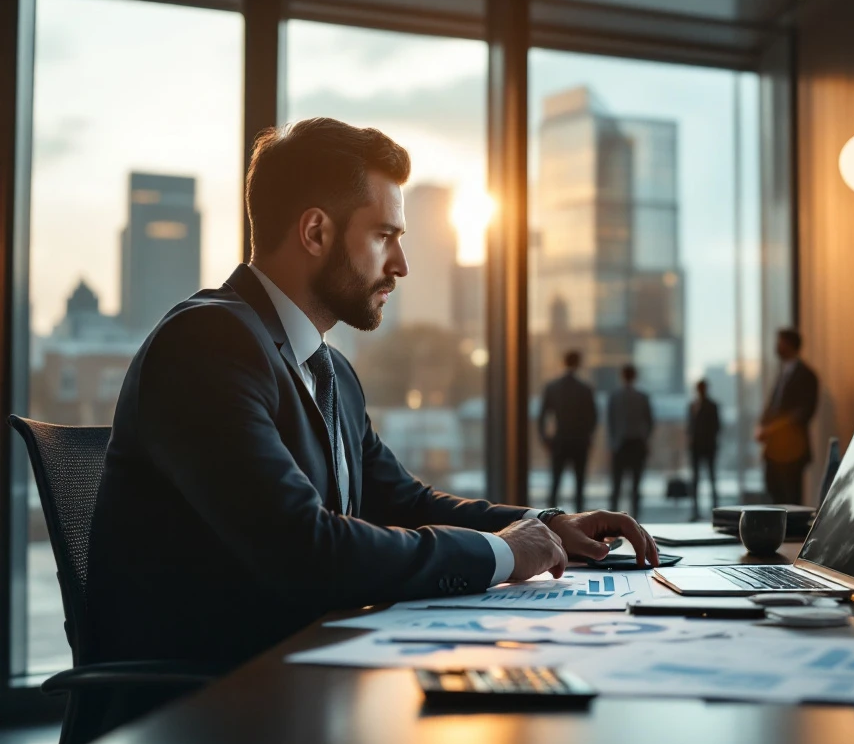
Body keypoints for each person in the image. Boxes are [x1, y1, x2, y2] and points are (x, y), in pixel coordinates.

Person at [87, 118, 658, 675]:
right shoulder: (207, 345)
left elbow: (403, 502)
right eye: (385, 236)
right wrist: (503, 555)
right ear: (316, 233)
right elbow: (305, 550)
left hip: (305, 676)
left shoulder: (329, 368)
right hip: (206, 705)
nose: (401, 265)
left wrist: (547, 525)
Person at [757, 328, 820, 506]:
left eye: (780, 342)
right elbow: (773, 405)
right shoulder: (782, 374)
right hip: (774, 448)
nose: (776, 347)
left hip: (793, 449)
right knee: (773, 491)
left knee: (791, 497)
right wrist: (762, 426)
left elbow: (803, 412)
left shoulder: (806, 375)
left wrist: (773, 428)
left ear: (790, 344)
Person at [538, 350, 598, 512]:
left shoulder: (553, 387)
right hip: (579, 441)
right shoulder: (585, 388)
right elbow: (593, 417)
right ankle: (580, 519)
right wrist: (588, 436)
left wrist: (545, 438)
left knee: (555, 482)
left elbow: (543, 416)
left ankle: (550, 518)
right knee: (579, 484)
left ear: (563, 362)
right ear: (579, 364)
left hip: (560, 440)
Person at [607, 364, 654, 520]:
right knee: (635, 487)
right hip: (637, 444)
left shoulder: (614, 396)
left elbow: (611, 422)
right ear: (635, 376)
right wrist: (645, 438)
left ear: (622, 376)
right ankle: (635, 521)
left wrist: (612, 443)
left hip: (620, 445)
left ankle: (611, 521)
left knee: (616, 487)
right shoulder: (642, 396)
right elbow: (650, 422)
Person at [687, 379, 720, 521]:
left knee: (711, 479)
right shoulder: (693, 405)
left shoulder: (711, 406)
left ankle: (715, 509)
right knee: (696, 480)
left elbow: (717, 426)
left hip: (707, 446)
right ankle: (696, 511)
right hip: (696, 447)